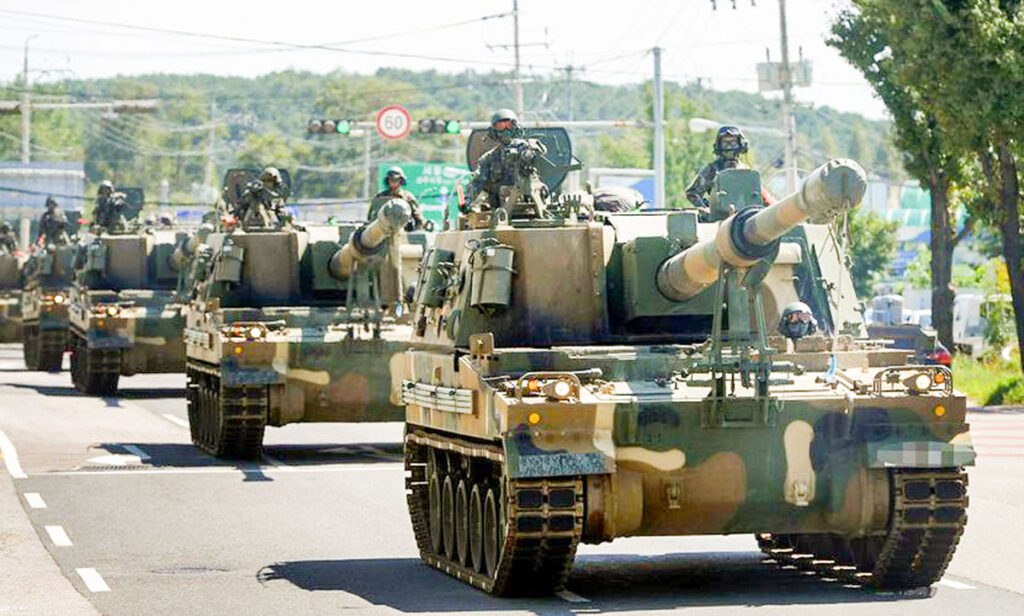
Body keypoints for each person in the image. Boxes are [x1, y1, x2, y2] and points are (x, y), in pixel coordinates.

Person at [467, 108, 548, 213]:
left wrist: (532, 151)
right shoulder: (489, 158)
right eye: (501, 126)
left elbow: (542, 155)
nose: (505, 130)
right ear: (494, 130)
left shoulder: (526, 148)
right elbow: (477, 183)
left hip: (532, 208)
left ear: (515, 126)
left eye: (508, 125)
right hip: (500, 212)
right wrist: (466, 202)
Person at [686, 126, 750, 214]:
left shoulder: (746, 171)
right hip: (718, 217)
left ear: (740, 144)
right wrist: (704, 208)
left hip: (742, 215)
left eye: (733, 142)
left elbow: (755, 195)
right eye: (725, 143)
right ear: (719, 145)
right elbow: (692, 192)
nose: (729, 146)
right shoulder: (712, 170)